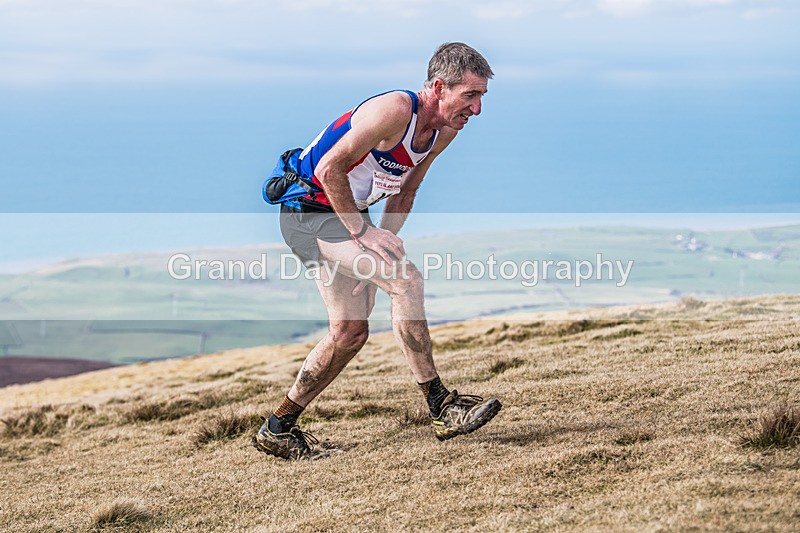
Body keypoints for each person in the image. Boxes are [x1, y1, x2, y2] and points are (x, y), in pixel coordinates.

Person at [253, 42, 501, 460]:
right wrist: (362, 233)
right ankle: (442, 407)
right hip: (308, 214)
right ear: (439, 87)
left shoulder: (445, 129)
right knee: (406, 282)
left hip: (346, 216)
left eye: (481, 97)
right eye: (470, 95)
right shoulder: (393, 111)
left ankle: (278, 427)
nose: (476, 109)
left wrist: (384, 238)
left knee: (349, 334)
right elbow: (328, 168)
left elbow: (407, 189)